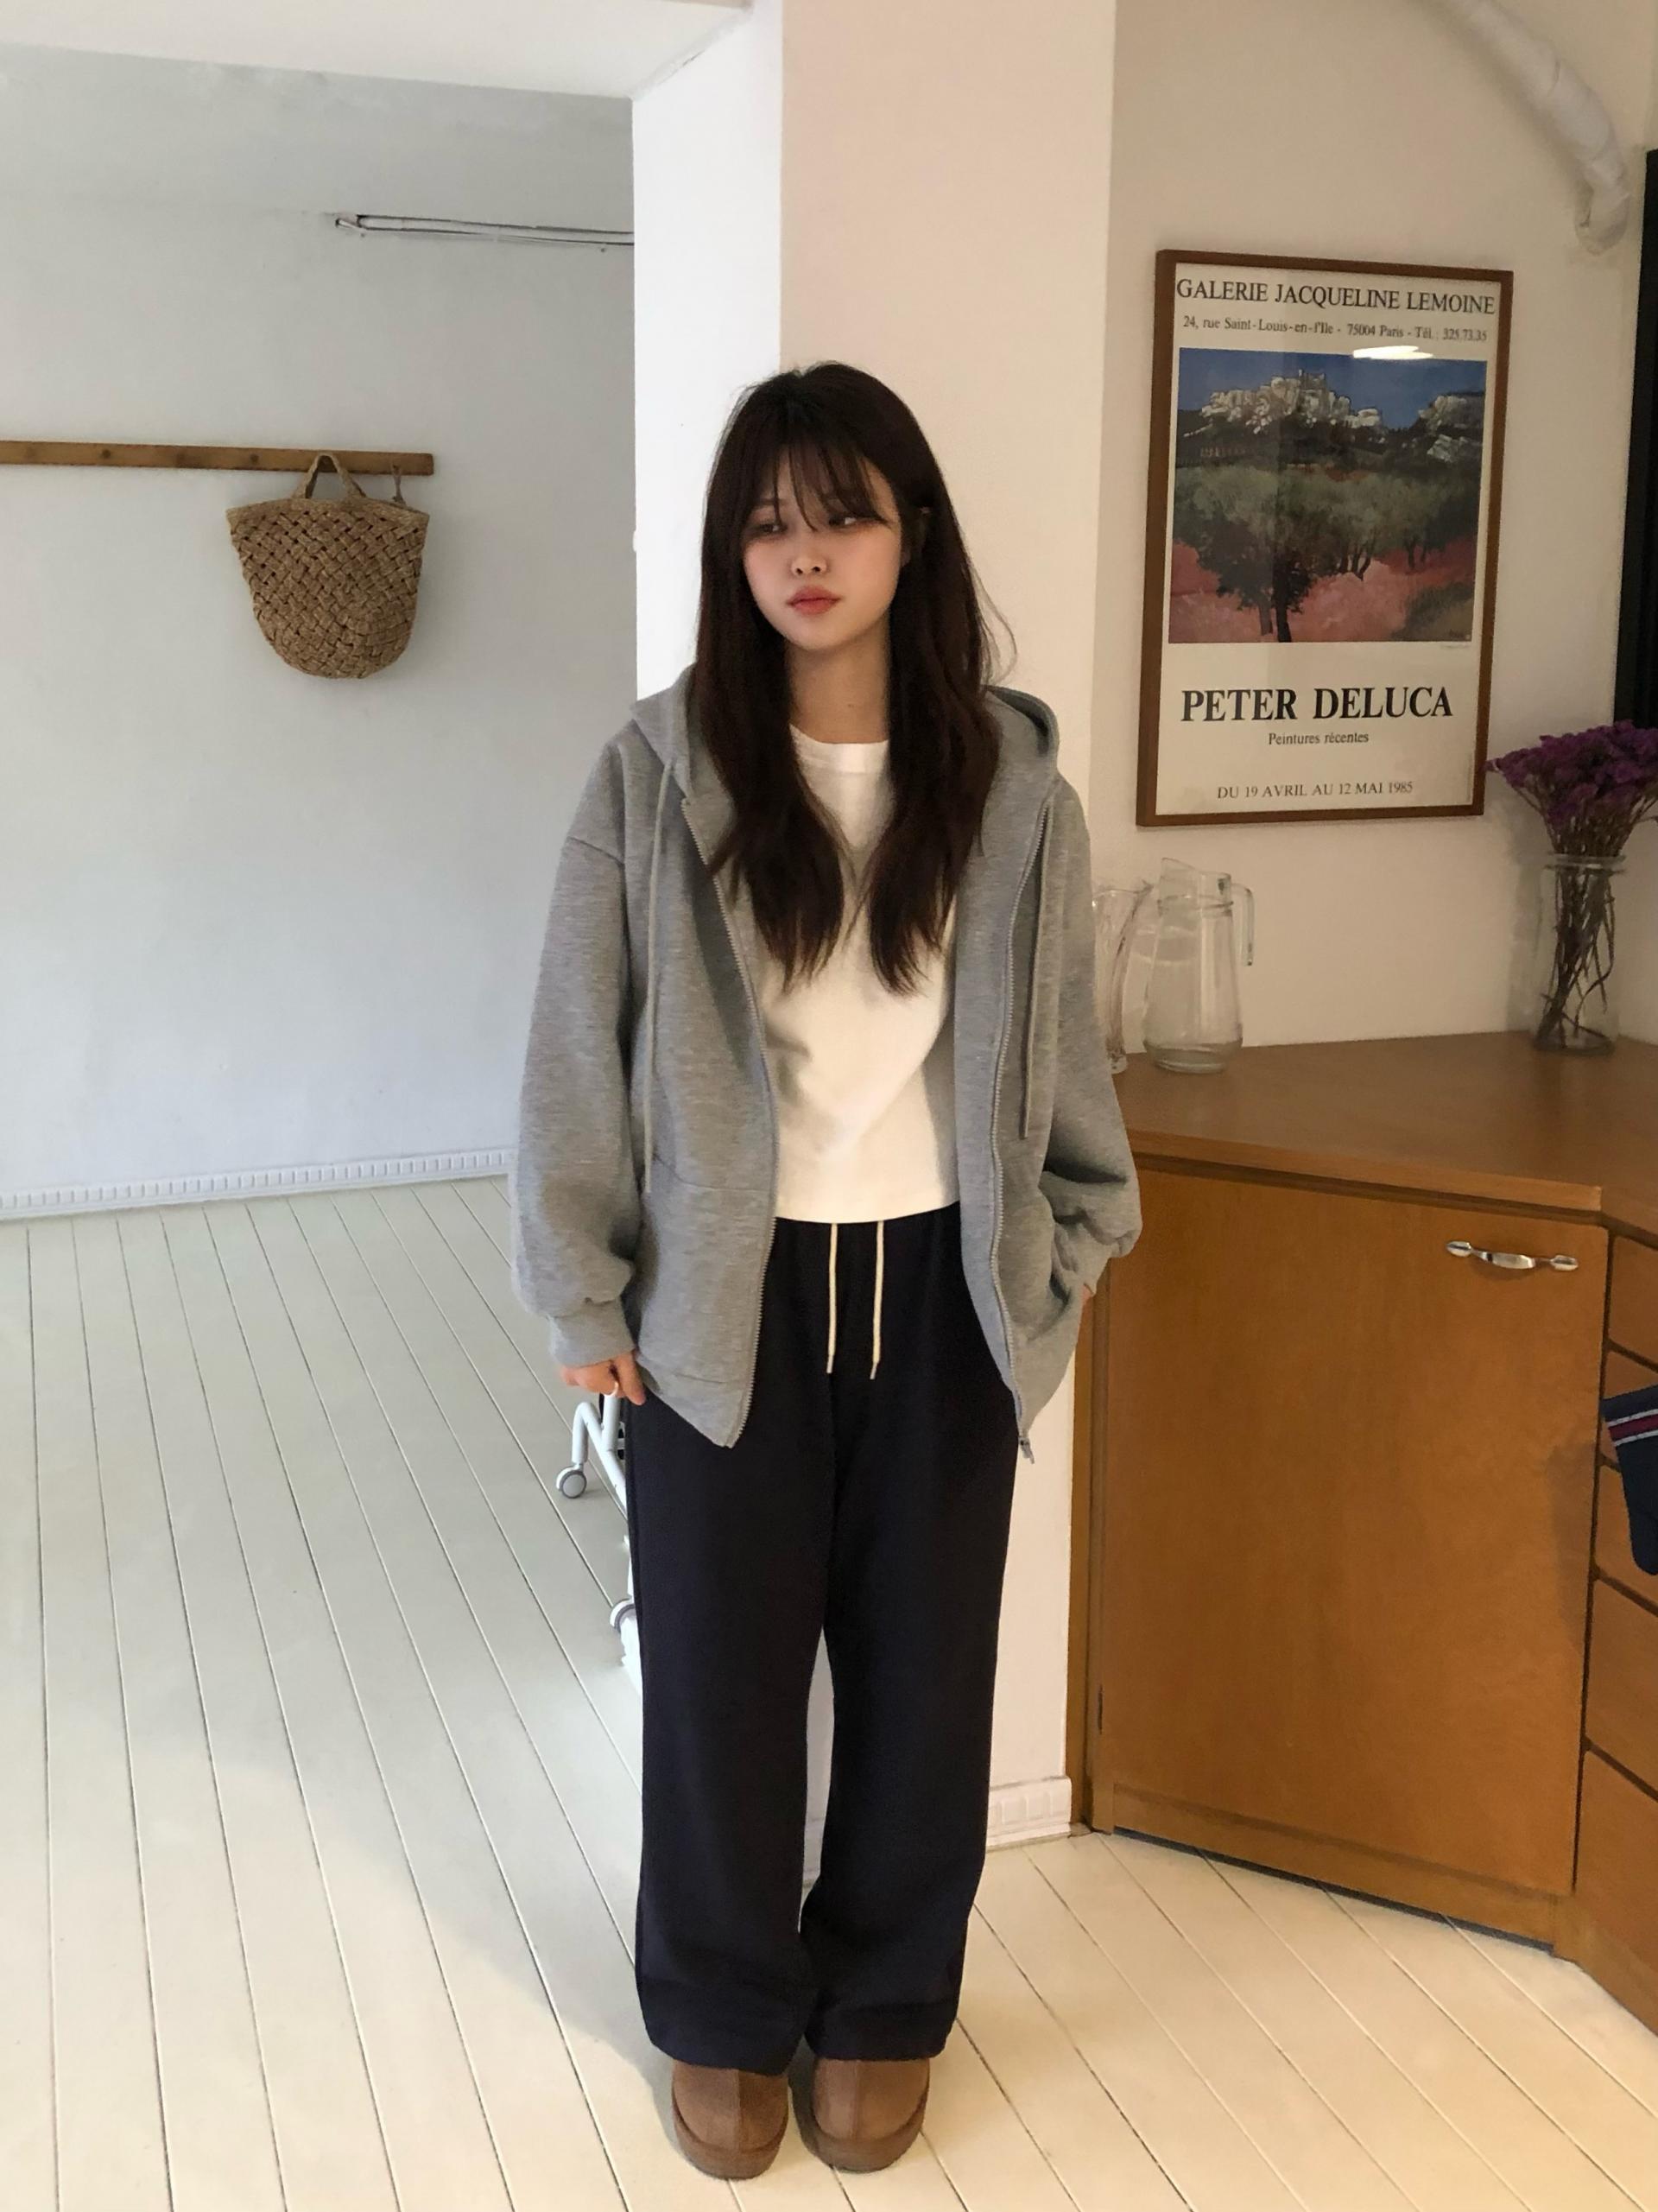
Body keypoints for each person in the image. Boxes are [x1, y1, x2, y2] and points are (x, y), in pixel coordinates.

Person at [510, 361, 1141, 2179]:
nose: (806, 553)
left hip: (948, 1297)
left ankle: (882, 2003)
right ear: (734, 551)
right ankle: (722, 2012)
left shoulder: (1012, 789)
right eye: (769, 522)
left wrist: (1070, 1250)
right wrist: (583, 1290)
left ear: (910, 534)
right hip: (730, 1305)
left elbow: (1063, 1055)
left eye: (843, 515)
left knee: (927, 1685)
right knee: (720, 1680)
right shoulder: (656, 773)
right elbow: (573, 1045)